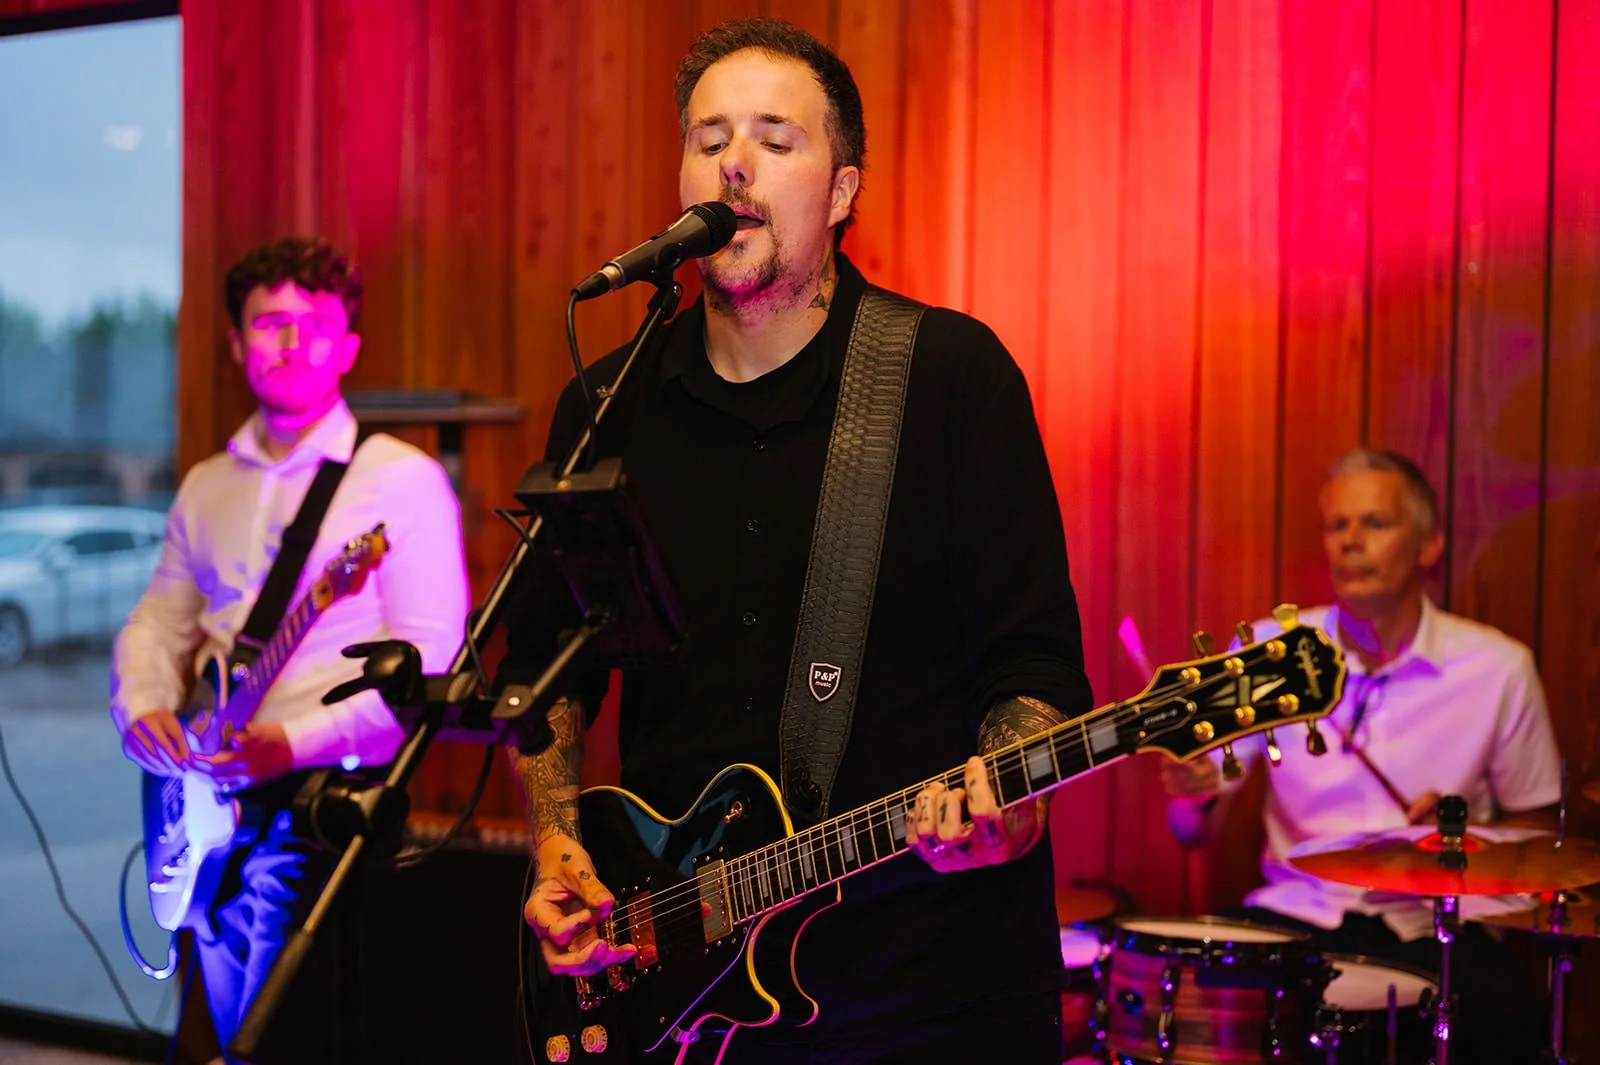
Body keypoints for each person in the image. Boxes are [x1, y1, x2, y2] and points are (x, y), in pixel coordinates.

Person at [503, 18, 1094, 1065]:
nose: (734, 160)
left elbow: (1031, 661)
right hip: (676, 991)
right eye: (709, 135)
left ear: (843, 190)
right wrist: (556, 838)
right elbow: (548, 669)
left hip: (927, 989)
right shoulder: (608, 409)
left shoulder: (948, 379)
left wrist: (1007, 800)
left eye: (778, 139)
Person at [111, 236, 470, 1063]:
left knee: (277, 1039)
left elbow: (430, 667)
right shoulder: (207, 483)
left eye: (314, 324)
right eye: (268, 323)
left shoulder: (401, 480)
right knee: (215, 1033)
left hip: (320, 807)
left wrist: (293, 743)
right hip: (208, 801)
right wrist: (141, 708)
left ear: (348, 346)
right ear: (236, 343)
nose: (290, 340)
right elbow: (159, 622)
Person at [1162, 447, 1561, 1064]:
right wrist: (1192, 795)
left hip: (1430, 927)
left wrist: (1461, 839)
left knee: (1509, 1010)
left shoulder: (1498, 668)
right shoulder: (1273, 652)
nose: (1350, 541)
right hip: (1293, 915)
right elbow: (1195, 831)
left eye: (1374, 524)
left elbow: (1542, 843)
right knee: (1180, 988)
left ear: (1429, 546)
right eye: (1337, 525)